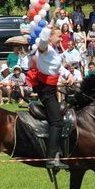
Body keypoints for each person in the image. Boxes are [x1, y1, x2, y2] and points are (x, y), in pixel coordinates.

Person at [33, 27, 69, 170]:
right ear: (50, 37)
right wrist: (49, 27)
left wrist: (68, 75)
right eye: (59, 36)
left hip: (51, 88)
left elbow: (56, 67)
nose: (61, 39)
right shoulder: (44, 48)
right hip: (46, 90)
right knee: (57, 122)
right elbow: (42, 41)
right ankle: (51, 159)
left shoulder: (52, 50)